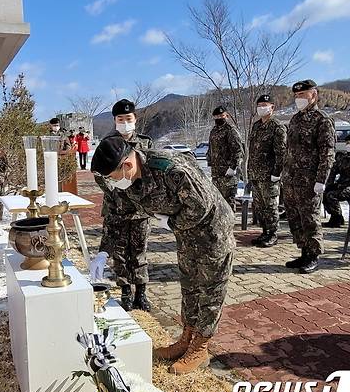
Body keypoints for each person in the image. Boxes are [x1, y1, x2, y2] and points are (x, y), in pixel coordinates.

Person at [91, 135, 235, 374]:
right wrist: (104, 252)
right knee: (189, 286)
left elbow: (202, 205)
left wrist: (171, 223)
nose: (111, 183)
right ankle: (186, 339)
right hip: (186, 235)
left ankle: (200, 348)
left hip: (212, 231)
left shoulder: (171, 169)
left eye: (111, 177)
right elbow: (117, 217)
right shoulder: (125, 182)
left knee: (209, 289)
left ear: (127, 165)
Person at [94, 99, 153, 311]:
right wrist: (115, 187)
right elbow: (99, 174)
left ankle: (141, 293)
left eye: (128, 119)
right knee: (119, 253)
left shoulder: (145, 143)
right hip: (116, 207)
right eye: (121, 119)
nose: (125, 122)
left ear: (135, 119)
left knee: (139, 252)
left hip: (139, 210)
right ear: (115, 120)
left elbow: (148, 173)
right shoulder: (107, 143)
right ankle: (126, 292)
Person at [282, 79, 336, 274]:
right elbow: (289, 150)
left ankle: (313, 256)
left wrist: (322, 179)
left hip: (310, 180)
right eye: (296, 96)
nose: (298, 99)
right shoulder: (295, 119)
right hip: (291, 179)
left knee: (310, 217)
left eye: (302, 95)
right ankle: (304, 252)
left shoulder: (322, 120)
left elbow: (327, 152)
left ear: (314, 94)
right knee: (295, 217)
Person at [247, 94, 287, 247]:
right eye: (259, 105)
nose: (262, 108)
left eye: (265, 104)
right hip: (256, 174)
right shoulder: (257, 126)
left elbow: (281, 152)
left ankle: (273, 234)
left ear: (272, 107)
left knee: (270, 206)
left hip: (269, 175)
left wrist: (277, 173)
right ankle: (264, 232)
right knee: (259, 206)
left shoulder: (277, 127)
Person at [322, 134, 350, 227]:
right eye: (347, 142)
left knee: (332, 195)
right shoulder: (342, 157)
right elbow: (333, 171)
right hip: (341, 186)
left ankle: (337, 219)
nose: (349, 144)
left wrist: (338, 186)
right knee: (324, 194)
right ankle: (337, 217)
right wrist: (329, 184)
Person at [207, 106, 244, 211]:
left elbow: (238, 150)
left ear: (226, 116)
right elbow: (211, 148)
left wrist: (233, 167)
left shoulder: (231, 130)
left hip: (228, 173)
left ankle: (230, 224)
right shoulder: (213, 131)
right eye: (217, 116)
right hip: (216, 173)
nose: (219, 118)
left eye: (221, 115)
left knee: (228, 202)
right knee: (218, 201)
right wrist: (209, 160)